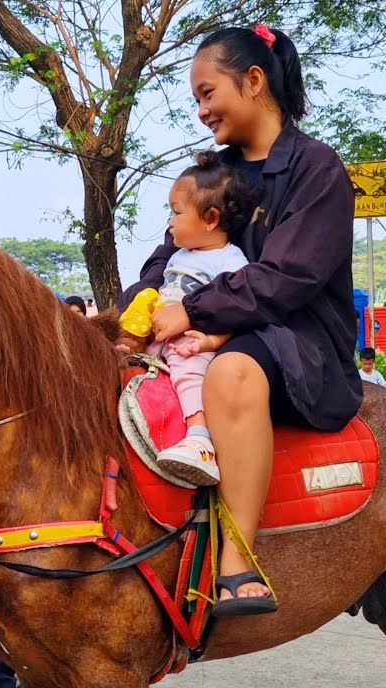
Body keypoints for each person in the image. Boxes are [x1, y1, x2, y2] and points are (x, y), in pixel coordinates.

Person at [119, 24, 359, 617]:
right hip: (210, 332)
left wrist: (193, 311)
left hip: (296, 340)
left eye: (208, 93)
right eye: (195, 100)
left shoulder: (318, 169)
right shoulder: (213, 175)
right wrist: (129, 314)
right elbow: (166, 256)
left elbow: (288, 277)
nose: (201, 111)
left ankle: (237, 556)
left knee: (230, 373)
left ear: (253, 81)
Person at [121, 150, 255, 486]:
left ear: (210, 218)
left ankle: (200, 440)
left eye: (176, 212)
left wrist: (211, 340)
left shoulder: (229, 258)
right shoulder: (179, 254)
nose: (170, 221)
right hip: (163, 340)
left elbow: (239, 307)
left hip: (193, 343)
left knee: (189, 376)